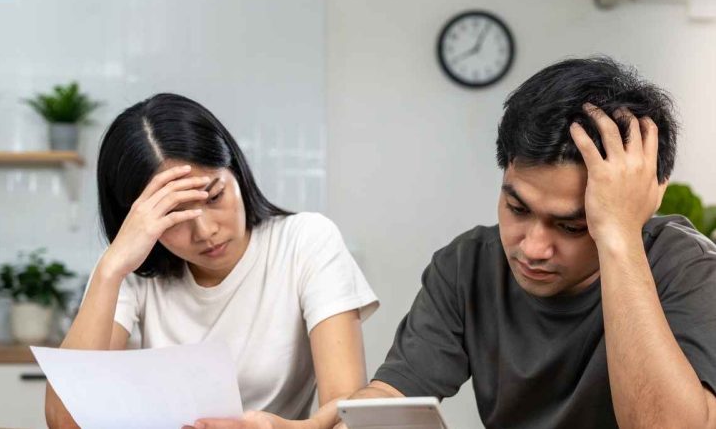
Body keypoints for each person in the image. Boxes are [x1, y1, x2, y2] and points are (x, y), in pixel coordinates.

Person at [335, 57, 716, 429]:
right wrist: (354, 416)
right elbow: (393, 392)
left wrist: (618, 236)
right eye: (517, 208)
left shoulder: (686, 267)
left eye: (572, 227)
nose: (532, 248)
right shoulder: (467, 265)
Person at [44, 93, 379, 429]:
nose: (205, 231)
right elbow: (64, 422)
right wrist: (110, 267)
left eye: (215, 195)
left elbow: (344, 408)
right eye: (173, 216)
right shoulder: (130, 270)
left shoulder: (305, 241)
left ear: (236, 171)